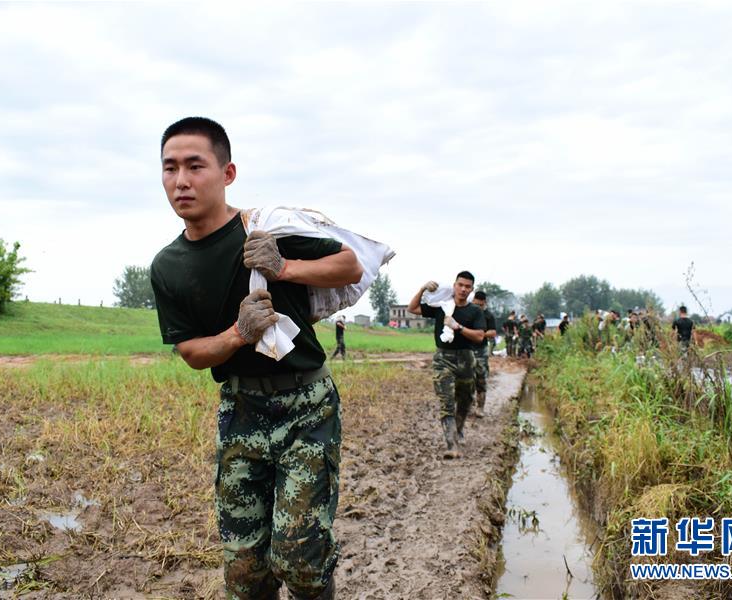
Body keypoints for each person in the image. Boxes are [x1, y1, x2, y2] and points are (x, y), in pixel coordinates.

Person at [150, 117, 363, 600]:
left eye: (195, 166)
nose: (181, 181)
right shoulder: (168, 266)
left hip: (306, 403)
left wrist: (283, 266)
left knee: (299, 558)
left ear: (227, 174)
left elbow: (348, 264)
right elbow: (192, 353)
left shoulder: (264, 231)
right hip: (241, 410)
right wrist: (239, 333)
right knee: (245, 572)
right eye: (170, 169)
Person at [408, 272, 486, 459]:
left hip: (466, 359)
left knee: (465, 400)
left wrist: (457, 326)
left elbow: (479, 336)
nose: (463, 289)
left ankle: (458, 431)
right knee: (447, 402)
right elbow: (413, 308)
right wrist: (422, 288)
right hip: (443, 359)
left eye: (467, 286)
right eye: (460, 285)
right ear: (454, 285)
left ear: (471, 290)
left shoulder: (475, 311)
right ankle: (451, 445)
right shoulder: (442, 307)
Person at [470, 291, 497, 419]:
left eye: (480, 305)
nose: (478, 307)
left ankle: (480, 407)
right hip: (466, 350)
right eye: (476, 304)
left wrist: (480, 334)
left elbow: (493, 332)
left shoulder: (488, 315)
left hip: (481, 350)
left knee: (481, 379)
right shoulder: (467, 312)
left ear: (484, 303)